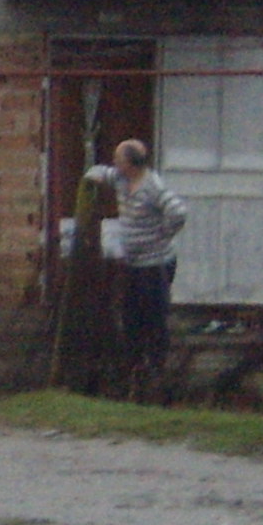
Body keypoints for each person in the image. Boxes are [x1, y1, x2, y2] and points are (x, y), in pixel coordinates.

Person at [97, 137, 188, 364]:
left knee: (155, 317)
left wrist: (162, 235)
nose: (114, 162)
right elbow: (100, 173)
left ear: (131, 163)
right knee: (131, 315)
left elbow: (178, 212)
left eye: (118, 158)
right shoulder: (120, 179)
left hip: (155, 264)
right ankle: (134, 365)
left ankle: (157, 366)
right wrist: (90, 176)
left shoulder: (152, 187)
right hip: (133, 263)